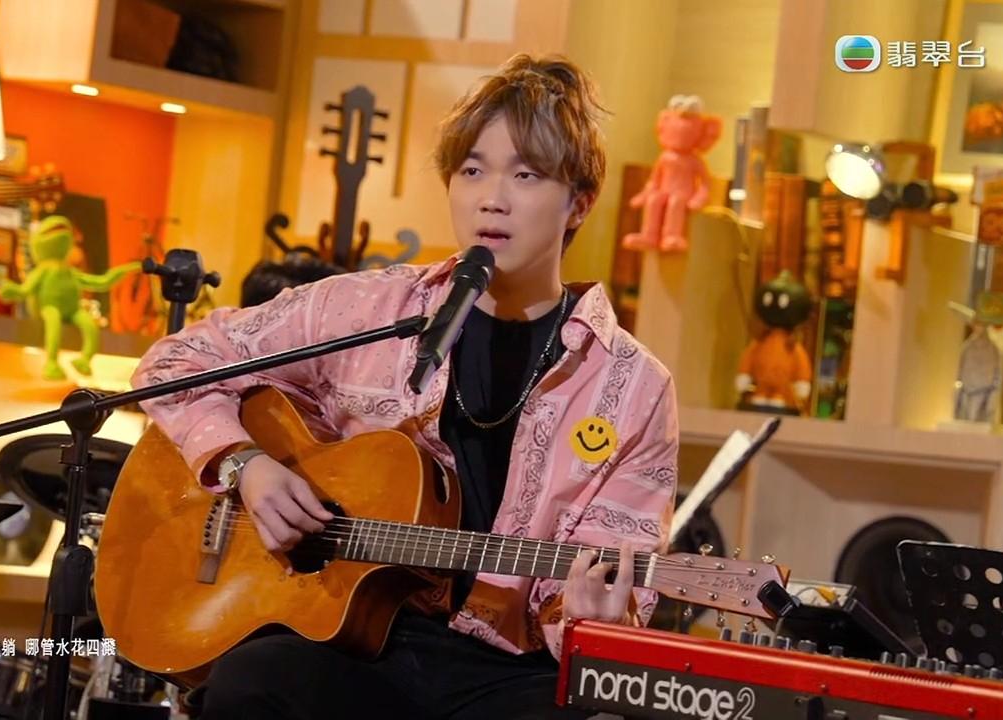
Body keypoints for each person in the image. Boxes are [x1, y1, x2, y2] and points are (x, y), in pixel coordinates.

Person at [132, 53, 679, 720]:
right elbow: (175, 361)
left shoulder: (633, 387)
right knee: (254, 680)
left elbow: (610, 590)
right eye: (472, 170)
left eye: (526, 174)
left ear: (579, 203)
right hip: (358, 644)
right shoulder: (370, 311)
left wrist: (597, 620)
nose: (491, 197)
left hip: (508, 673)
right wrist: (245, 466)